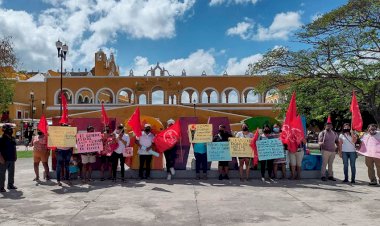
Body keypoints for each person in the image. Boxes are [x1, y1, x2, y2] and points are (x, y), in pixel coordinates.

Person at [0, 124, 17, 192]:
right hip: (3, 159)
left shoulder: (12, 138)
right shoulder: (1, 139)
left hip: (11, 158)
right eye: (10, 129)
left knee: (11, 173)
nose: (12, 130)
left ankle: (10, 185)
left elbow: (14, 147)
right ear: (6, 130)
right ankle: (1, 187)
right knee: (2, 174)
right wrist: (0, 158)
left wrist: (15, 155)